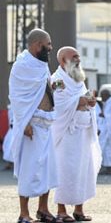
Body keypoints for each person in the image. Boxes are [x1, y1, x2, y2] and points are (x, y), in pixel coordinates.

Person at [9, 29, 58, 223]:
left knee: (47, 168)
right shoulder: (21, 65)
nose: (51, 48)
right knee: (30, 169)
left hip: (47, 122)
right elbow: (17, 97)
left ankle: (43, 209)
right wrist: (25, 122)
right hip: (32, 125)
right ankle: (23, 213)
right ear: (38, 45)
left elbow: (40, 88)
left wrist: (53, 87)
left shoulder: (41, 64)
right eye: (48, 44)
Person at [50, 47, 102, 222]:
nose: (78, 59)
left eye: (78, 56)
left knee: (83, 171)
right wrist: (80, 101)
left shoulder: (79, 79)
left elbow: (85, 98)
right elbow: (57, 103)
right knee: (65, 172)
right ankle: (61, 211)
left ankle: (79, 210)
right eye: (74, 57)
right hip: (66, 135)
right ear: (62, 60)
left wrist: (90, 102)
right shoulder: (56, 80)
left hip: (83, 133)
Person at [3, 106, 14, 170]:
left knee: (13, 146)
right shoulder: (10, 108)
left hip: (17, 129)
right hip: (11, 129)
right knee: (6, 145)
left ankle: (15, 165)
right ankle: (9, 163)